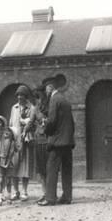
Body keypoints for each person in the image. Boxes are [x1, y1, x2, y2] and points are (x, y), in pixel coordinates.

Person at [38, 74, 75, 206]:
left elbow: (52, 121)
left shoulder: (54, 99)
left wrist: (45, 127)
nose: (45, 93)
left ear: (50, 88)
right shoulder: (64, 99)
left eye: (45, 89)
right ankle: (67, 197)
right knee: (66, 169)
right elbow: (70, 122)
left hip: (57, 142)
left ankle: (50, 198)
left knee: (51, 168)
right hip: (68, 142)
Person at [9, 85, 34, 201]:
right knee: (14, 166)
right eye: (18, 95)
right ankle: (16, 191)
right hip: (14, 142)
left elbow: (32, 124)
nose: (19, 97)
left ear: (26, 96)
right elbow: (10, 124)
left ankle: (24, 191)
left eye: (22, 95)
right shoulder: (14, 108)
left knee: (25, 167)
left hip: (26, 141)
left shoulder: (31, 108)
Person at [31, 86, 49, 203]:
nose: (39, 100)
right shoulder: (36, 109)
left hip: (48, 141)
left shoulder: (50, 107)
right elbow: (30, 122)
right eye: (37, 97)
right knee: (41, 169)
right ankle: (44, 192)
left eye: (40, 97)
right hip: (39, 140)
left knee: (50, 168)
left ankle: (51, 192)